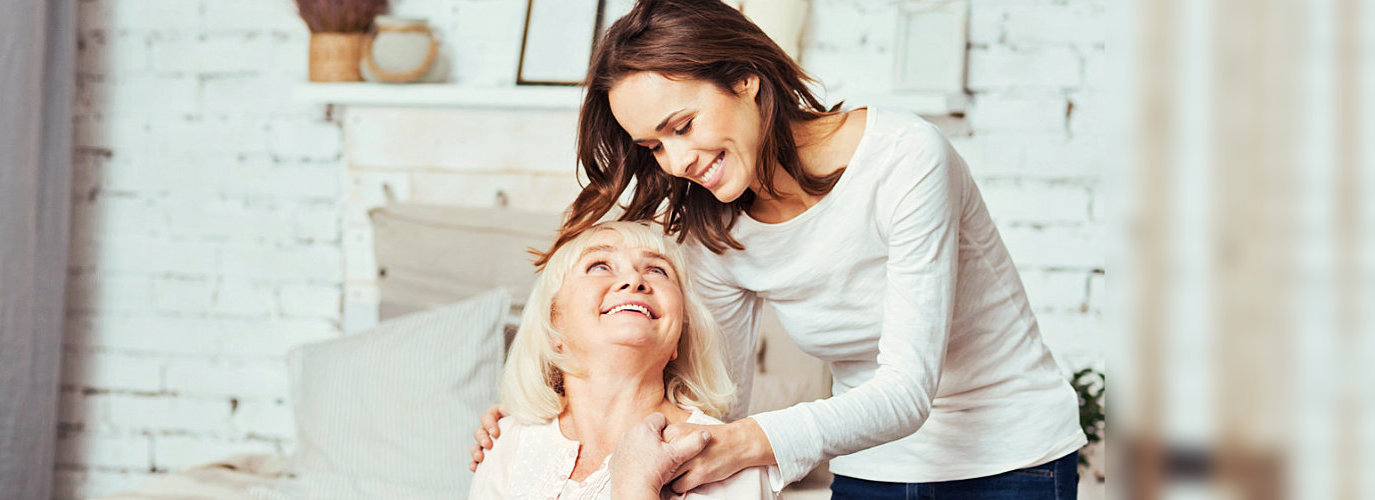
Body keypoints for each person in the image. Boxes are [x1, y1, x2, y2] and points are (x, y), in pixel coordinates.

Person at [474, 0, 1087, 497]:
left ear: (745, 78)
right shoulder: (713, 232)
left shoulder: (905, 158)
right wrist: (543, 433)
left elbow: (906, 393)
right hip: (873, 463)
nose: (678, 161)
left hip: (1011, 457)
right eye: (654, 146)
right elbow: (716, 401)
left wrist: (745, 442)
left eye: (682, 125)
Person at [467, 221, 778, 499]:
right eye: (600, 266)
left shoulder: (728, 461)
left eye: (657, 270)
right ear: (553, 327)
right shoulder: (504, 443)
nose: (634, 280)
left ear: (678, 341)